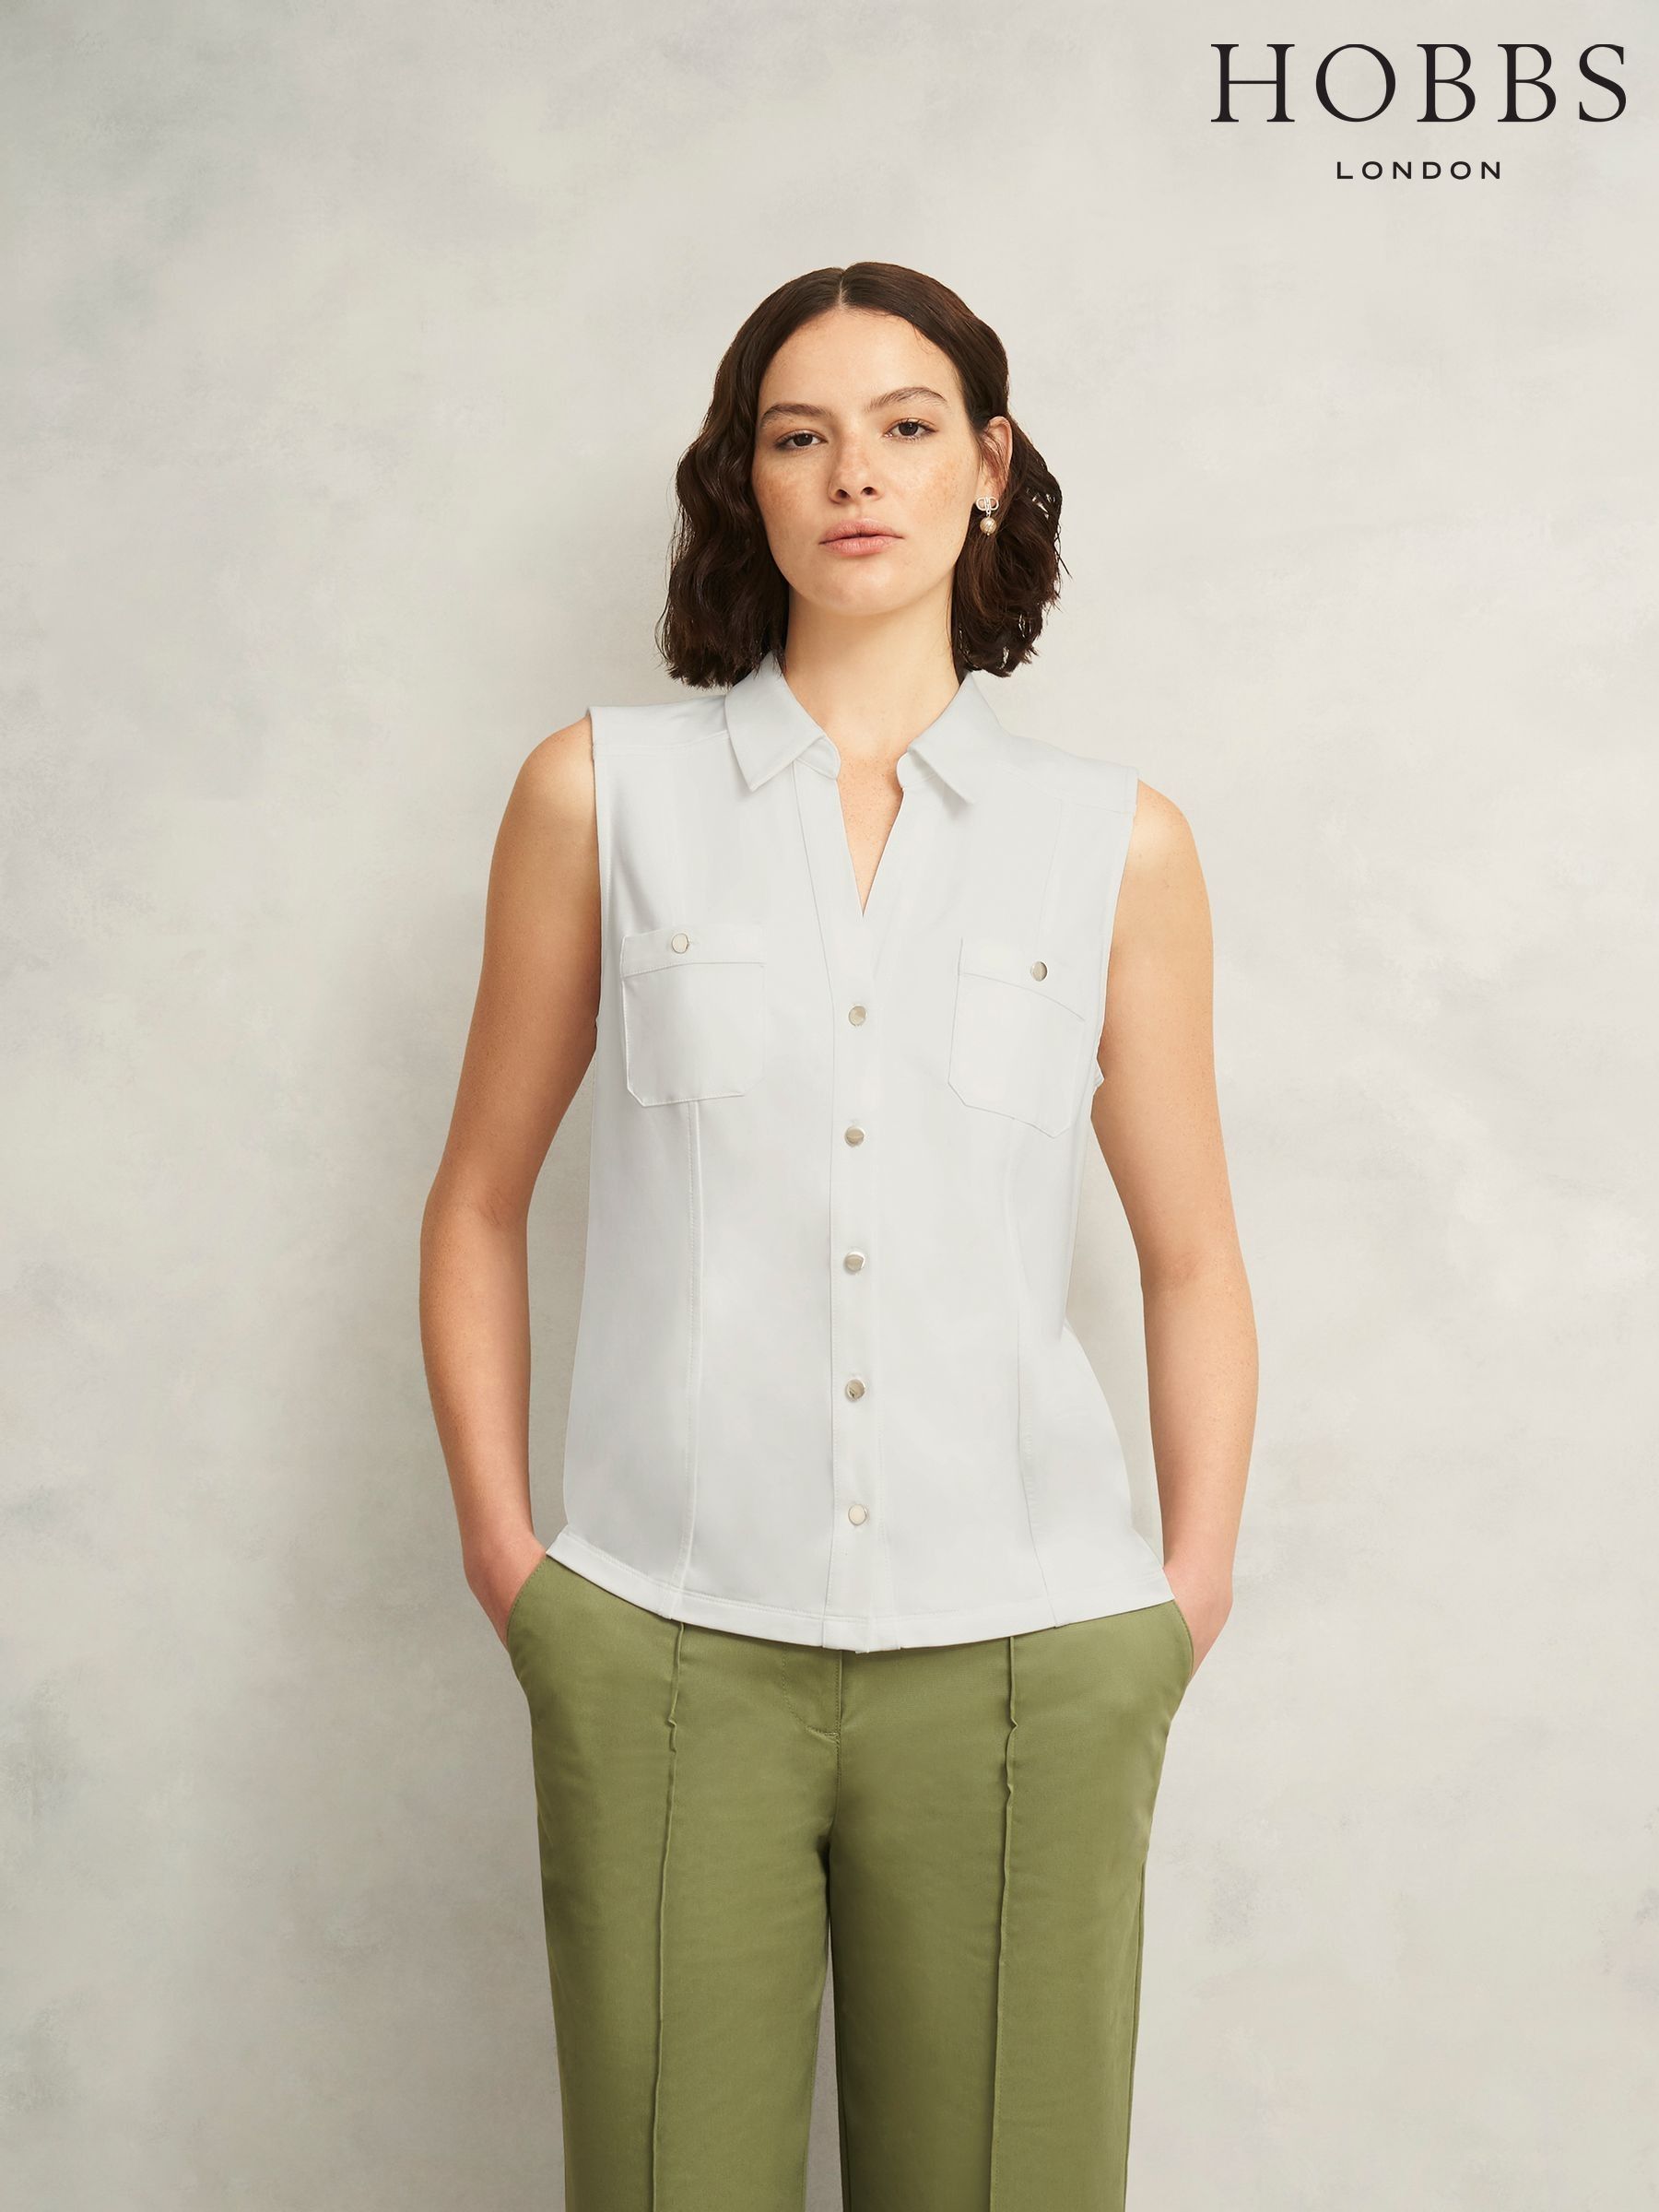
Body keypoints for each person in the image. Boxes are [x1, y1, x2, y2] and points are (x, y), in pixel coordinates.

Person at [419, 260, 1256, 2211]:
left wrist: (1182, 1598)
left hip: (1034, 1662)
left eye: (903, 427)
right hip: (663, 1643)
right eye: (799, 436)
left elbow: (1193, 1255)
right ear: (748, 483)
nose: (854, 474)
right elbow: (475, 1199)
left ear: (990, 464)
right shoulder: (600, 796)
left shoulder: (1114, 843)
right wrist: (517, 1569)